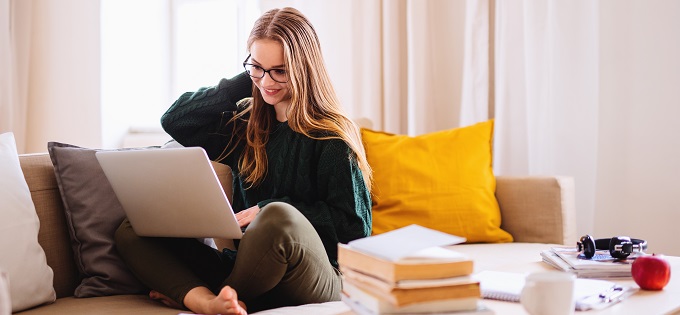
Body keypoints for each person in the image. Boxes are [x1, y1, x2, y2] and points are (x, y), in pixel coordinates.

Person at [114, 7, 373, 315]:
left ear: (304, 68)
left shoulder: (331, 137)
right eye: (257, 67)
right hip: (248, 269)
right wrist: (248, 78)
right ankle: (211, 302)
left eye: (280, 70)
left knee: (277, 217)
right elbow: (176, 120)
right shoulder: (244, 127)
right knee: (133, 229)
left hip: (317, 276)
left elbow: (355, 229)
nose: (267, 82)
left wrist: (266, 211)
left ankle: (219, 296)